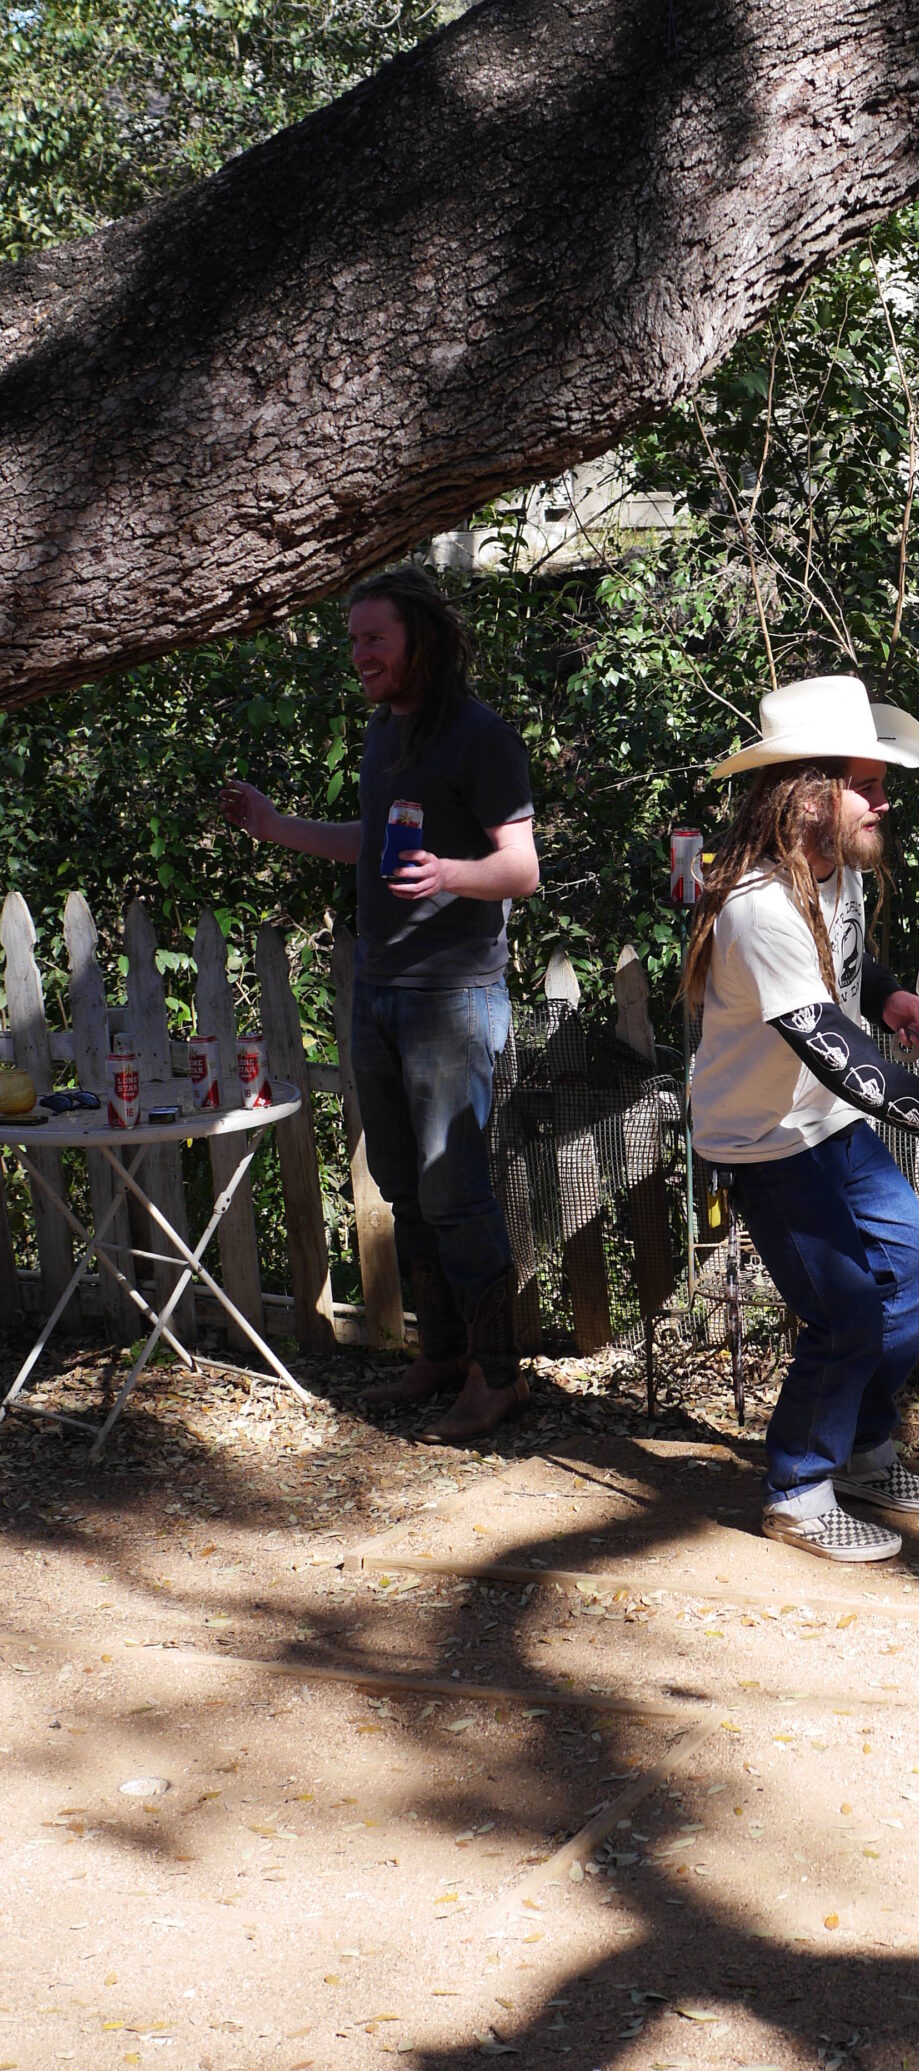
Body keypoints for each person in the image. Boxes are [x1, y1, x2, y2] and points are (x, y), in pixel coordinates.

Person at [684, 674, 919, 1563]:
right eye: (870, 784)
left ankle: (859, 1452)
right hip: (766, 1143)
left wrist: (889, 996)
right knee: (847, 1312)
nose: (884, 803)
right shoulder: (757, 909)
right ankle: (796, 1490)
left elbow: (847, 964)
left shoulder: (831, 870)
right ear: (810, 795)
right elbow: (841, 1063)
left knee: (916, 1271)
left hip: (826, 1128)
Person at [221, 566, 540, 1444]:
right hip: (380, 988)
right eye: (353, 638)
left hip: (453, 995)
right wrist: (275, 824)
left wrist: (450, 873)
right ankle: (440, 1355)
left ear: (419, 645)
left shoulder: (481, 737)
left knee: (455, 1190)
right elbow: (373, 840)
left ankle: (497, 1378)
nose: (356, 653)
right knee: (403, 1185)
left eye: (373, 640)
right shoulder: (382, 733)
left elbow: (521, 867)